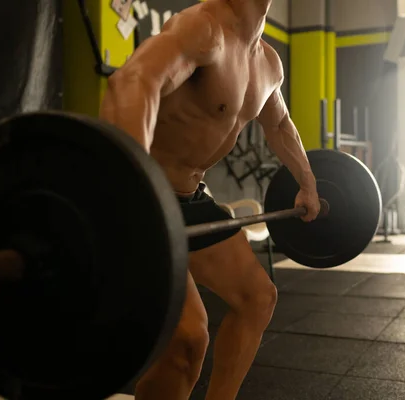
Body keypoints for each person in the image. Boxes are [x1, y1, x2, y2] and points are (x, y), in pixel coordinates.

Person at [99, 0, 321, 399]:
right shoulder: (203, 28)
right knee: (188, 341)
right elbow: (133, 81)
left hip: (190, 200)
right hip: (144, 200)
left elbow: (280, 123)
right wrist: (133, 188)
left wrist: (308, 181)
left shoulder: (267, 62)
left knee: (257, 298)